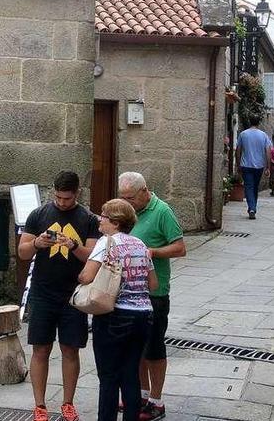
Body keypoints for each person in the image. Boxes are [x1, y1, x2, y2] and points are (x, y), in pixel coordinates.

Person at [18, 171, 101, 421]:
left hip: (73, 295)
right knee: (40, 349)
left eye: (67, 198)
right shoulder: (38, 214)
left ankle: (68, 404)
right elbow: (22, 252)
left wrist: (73, 245)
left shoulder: (88, 218)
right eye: (58, 197)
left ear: (77, 193)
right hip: (42, 292)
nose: (62, 202)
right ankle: (40, 406)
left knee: (70, 350)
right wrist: (37, 245)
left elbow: (91, 257)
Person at [78, 199, 158, 421]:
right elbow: (153, 284)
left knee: (109, 377)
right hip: (144, 316)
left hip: (115, 315)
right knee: (131, 375)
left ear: (114, 222)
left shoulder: (107, 242)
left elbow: (87, 276)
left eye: (103, 216)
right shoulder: (141, 245)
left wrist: (81, 279)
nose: (99, 220)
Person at [118, 172, 186, 421]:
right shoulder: (128, 211)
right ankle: (141, 395)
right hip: (129, 291)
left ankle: (157, 401)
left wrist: (150, 252)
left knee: (154, 348)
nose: (127, 202)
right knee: (136, 348)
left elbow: (180, 248)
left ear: (145, 191)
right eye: (123, 198)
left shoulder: (162, 211)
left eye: (131, 198)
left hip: (155, 292)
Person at [235, 116, 272, 219]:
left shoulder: (243, 134)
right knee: (255, 187)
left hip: (246, 165)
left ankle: (252, 208)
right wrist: (268, 167)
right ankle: (253, 207)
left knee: (249, 187)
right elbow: (268, 152)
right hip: (259, 166)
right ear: (258, 123)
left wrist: (238, 165)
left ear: (249, 122)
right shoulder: (263, 135)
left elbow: (238, 151)